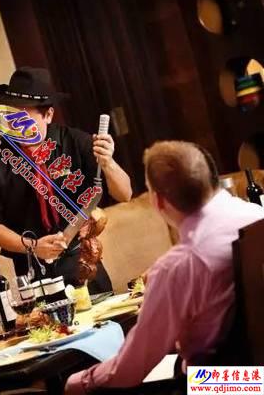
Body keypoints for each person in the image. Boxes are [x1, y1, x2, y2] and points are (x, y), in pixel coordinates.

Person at [64, 141, 264, 394]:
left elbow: (129, 370)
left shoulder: (178, 266)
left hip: (226, 383)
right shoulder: (255, 214)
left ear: (157, 201)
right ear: (211, 179)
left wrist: (79, 382)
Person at [0, 67, 132, 293]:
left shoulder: (75, 142)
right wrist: (34, 247)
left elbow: (124, 193)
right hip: (31, 271)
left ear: (48, 115)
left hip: (82, 263)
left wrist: (108, 163)